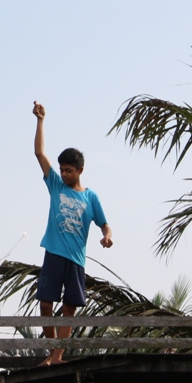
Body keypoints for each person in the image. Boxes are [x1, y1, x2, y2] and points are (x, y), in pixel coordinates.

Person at [32, 101, 113, 366]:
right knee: (46, 303)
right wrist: (41, 120)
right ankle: (52, 348)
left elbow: (104, 223)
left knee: (69, 308)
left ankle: (58, 355)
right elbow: (39, 153)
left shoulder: (91, 197)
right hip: (54, 253)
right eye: (62, 169)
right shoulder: (55, 185)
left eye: (69, 170)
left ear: (79, 171)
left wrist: (107, 235)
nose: (64, 174)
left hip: (76, 259)